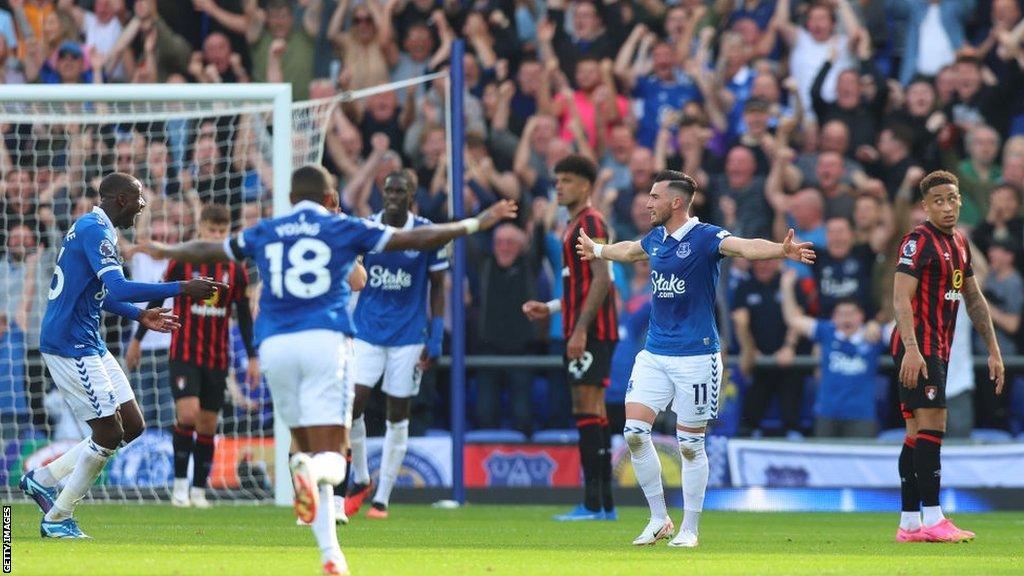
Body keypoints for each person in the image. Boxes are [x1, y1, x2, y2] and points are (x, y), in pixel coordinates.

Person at [140, 165, 515, 575]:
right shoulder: (342, 227)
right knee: (332, 456)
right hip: (324, 341)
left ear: (289, 196)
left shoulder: (268, 228)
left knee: (301, 440)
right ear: (327, 196)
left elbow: (210, 250)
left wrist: (166, 250)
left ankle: (330, 555)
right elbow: (417, 237)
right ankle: (314, 473)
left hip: (276, 346)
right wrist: (476, 222)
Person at [575, 170, 814, 548]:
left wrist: (780, 250)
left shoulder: (705, 237)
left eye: (654, 196)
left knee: (690, 445)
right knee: (635, 434)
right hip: (654, 353)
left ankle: (690, 528)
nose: (647, 202)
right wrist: (600, 250)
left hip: (697, 355)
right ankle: (658, 518)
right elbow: (630, 250)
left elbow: (743, 246)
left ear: (676, 202)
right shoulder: (656, 238)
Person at [20, 172, 222, 538]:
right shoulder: (96, 230)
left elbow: (100, 293)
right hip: (70, 343)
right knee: (108, 431)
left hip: (88, 338)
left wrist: (140, 314)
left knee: (132, 425)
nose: (143, 204)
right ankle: (58, 516)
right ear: (121, 200)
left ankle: (43, 478)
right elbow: (119, 286)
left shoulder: (98, 228)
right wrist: (182, 288)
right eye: (139, 197)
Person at [891, 170, 1004, 543]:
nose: (947, 207)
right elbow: (900, 299)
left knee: (914, 434)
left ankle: (910, 524)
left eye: (952, 199)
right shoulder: (917, 241)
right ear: (924, 206)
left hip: (937, 346)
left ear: (960, 201)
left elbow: (973, 298)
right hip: (919, 345)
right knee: (933, 428)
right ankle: (935, 518)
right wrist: (911, 349)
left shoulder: (959, 243)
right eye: (937, 201)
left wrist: (993, 349)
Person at [131, 205, 257, 509]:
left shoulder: (235, 268)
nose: (216, 236)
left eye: (221, 231)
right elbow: (159, 296)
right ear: (201, 230)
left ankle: (199, 491)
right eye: (211, 230)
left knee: (208, 423)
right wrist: (137, 339)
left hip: (217, 356)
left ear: (227, 233)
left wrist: (252, 356)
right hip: (184, 352)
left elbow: (243, 313)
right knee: (187, 414)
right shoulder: (183, 262)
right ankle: (179, 487)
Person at [345, 170, 448, 520]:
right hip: (367, 332)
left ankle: (383, 497)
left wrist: (435, 336)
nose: (392, 195)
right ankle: (360, 478)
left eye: (399, 191)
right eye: (387, 190)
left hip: (408, 335)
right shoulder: (367, 229)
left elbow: (438, 286)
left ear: (412, 195)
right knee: (352, 405)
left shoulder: (425, 232)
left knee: (397, 412)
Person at [523, 154, 619, 522]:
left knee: (586, 410)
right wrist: (549, 308)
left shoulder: (591, 222)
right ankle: (603, 504)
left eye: (567, 180)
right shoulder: (574, 224)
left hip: (592, 332)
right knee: (592, 412)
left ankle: (593, 505)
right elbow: (579, 288)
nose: (559, 186)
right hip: (586, 328)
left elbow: (601, 280)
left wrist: (579, 330)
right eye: (557, 179)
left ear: (586, 186)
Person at [780, 270, 884, 438]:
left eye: (851, 314)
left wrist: (876, 323)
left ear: (861, 316)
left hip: (861, 416)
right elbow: (793, 320)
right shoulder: (826, 331)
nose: (846, 319)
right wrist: (786, 287)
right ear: (833, 318)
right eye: (841, 314)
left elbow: (899, 326)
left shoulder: (873, 335)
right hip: (827, 414)